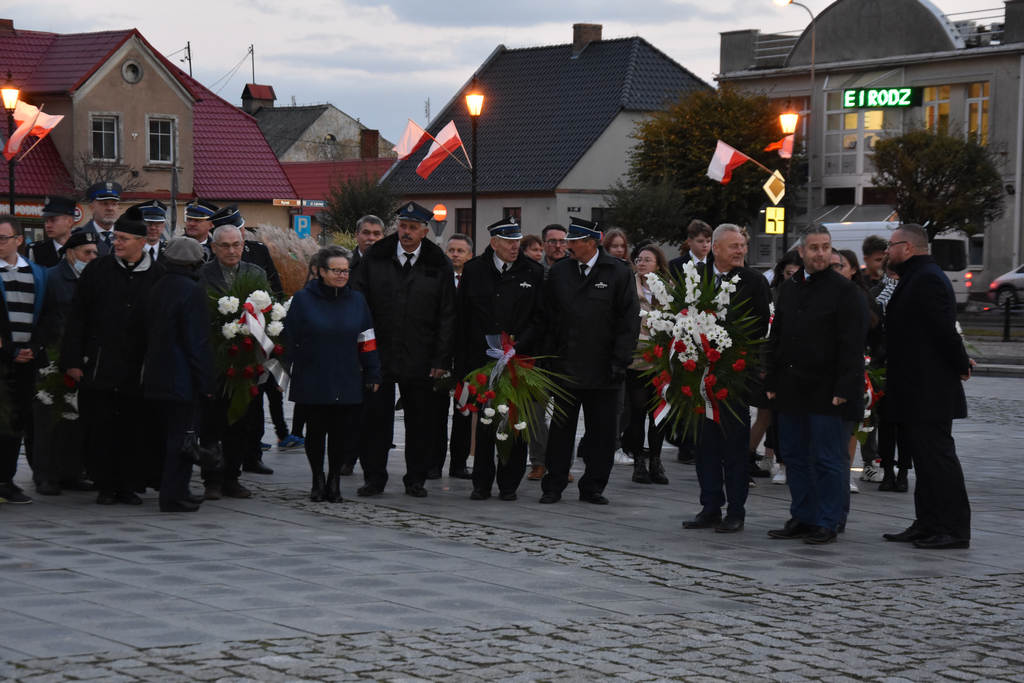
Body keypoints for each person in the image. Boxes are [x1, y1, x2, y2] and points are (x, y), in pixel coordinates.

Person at [764, 225, 866, 544]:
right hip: (792, 388)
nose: (821, 253)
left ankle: (829, 520)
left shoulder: (846, 291)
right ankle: (804, 515)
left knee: (827, 458)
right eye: (814, 248)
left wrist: (843, 389)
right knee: (794, 455)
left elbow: (852, 345)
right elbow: (778, 336)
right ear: (802, 252)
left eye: (826, 247)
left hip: (828, 390)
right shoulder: (791, 287)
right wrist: (772, 379)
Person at [352, 201, 457, 498]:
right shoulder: (377, 257)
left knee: (421, 420)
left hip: (421, 355)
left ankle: (416, 479)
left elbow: (447, 314)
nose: (406, 232)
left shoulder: (438, 263)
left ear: (425, 231)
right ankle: (374, 477)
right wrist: (363, 351)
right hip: (379, 353)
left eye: (412, 228)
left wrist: (441, 358)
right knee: (375, 419)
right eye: (402, 226)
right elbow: (360, 304)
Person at [61, 206, 165, 505]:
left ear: (141, 242)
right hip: (100, 366)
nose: (116, 243)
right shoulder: (99, 270)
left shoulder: (158, 275)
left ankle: (129, 485)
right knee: (101, 427)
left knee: (134, 429)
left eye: (123, 239)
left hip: (138, 370)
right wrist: (72, 360)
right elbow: (77, 317)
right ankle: (105, 484)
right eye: (116, 237)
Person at [881, 224, 973, 550]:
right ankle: (928, 522)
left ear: (908, 247)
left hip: (930, 389)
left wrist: (962, 363)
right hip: (914, 387)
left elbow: (944, 331)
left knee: (938, 458)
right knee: (923, 458)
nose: (886, 251)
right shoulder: (913, 277)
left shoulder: (928, 278)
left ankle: (954, 528)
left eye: (891, 245)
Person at [540, 217, 639, 505]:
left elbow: (628, 321)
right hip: (566, 366)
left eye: (575, 241)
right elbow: (549, 318)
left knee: (602, 433)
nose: (569, 246)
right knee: (560, 431)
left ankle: (593, 486)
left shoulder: (618, 272)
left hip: (604, 368)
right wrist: (548, 359)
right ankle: (553, 484)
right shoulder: (560, 272)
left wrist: (620, 362)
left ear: (591, 242)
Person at [682, 224, 771, 533]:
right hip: (699, 377)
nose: (740, 250)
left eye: (743, 246)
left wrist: (727, 350)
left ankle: (736, 510)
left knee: (734, 447)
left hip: (734, 376)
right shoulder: (696, 277)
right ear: (715, 248)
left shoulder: (754, 281)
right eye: (733, 246)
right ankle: (709, 506)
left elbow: (760, 329)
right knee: (704, 446)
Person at [457, 217, 545, 501]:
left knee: (515, 422)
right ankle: (481, 482)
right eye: (508, 241)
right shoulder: (474, 271)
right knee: (485, 423)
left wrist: (520, 346)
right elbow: (462, 316)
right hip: (482, 361)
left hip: (520, 361)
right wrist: (462, 362)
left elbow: (541, 318)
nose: (514, 246)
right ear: (493, 242)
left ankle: (509, 483)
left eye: (517, 240)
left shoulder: (533, 272)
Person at [284, 246, 381, 503]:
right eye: (336, 270)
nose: (342, 275)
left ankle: (334, 480)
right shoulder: (303, 299)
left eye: (345, 271)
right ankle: (317, 478)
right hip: (313, 375)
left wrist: (373, 372)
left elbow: (367, 339)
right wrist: (281, 373)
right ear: (321, 271)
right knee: (316, 431)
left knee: (342, 433)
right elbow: (289, 337)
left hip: (347, 375)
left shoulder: (357, 300)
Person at [197, 224, 270, 500]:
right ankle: (211, 478)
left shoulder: (255, 273)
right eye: (225, 245)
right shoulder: (203, 275)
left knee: (241, 422)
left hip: (245, 361)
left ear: (243, 245)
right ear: (214, 247)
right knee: (212, 424)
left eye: (236, 244)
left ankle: (232, 477)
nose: (231, 250)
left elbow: (267, 311)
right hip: (215, 362)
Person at [142, 237, 214, 513]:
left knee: (172, 436)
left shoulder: (158, 286)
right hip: (182, 377)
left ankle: (178, 490)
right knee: (183, 437)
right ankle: (173, 495)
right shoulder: (192, 290)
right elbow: (197, 341)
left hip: (157, 373)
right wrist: (206, 381)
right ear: (196, 262)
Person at [32, 228, 99, 496]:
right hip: (53, 358)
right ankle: (45, 475)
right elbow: (41, 316)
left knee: (76, 419)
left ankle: (72, 472)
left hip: (83, 359)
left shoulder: (95, 279)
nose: (93, 257)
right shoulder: (52, 279)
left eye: (95, 252)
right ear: (71, 253)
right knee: (49, 420)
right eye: (87, 252)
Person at [0, 215, 47, 504]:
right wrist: (10, 351)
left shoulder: (37, 274)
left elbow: (45, 316)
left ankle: (7, 479)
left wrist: (34, 347)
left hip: (28, 358)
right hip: (3, 358)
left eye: (3, 238)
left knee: (18, 419)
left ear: (19, 240)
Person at [622, 245, 671, 486]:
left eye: (647, 260)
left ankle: (656, 459)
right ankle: (639, 459)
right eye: (639, 259)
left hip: (660, 359)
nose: (641, 263)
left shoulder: (668, 289)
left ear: (658, 265)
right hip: (636, 358)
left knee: (658, 414)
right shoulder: (629, 286)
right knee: (637, 410)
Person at [431, 233, 475, 480]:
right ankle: (433, 463)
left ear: (470, 256)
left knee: (464, 411)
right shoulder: (438, 279)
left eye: (460, 251)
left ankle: (459, 464)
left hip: (465, 359)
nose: (455, 254)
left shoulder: (474, 281)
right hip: (440, 357)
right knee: (436, 413)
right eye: (451, 250)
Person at [521, 234, 552, 482]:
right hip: (533, 354)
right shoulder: (532, 275)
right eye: (538, 248)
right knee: (534, 413)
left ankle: (556, 462)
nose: (541, 252)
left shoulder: (565, 273)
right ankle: (539, 461)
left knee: (561, 417)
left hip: (559, 354)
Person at [29, 196, 77, 268]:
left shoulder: (82, 249)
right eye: (46, 221)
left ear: (70, 221)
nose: (48, 225)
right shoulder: (37, 251)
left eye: (53, 220)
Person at [79, 182, 122, 256]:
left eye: (114, 204)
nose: (110, 208)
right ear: (92, 207)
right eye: (105, 203)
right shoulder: (79, 237)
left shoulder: (127, 236)